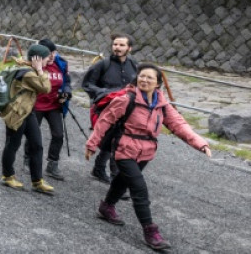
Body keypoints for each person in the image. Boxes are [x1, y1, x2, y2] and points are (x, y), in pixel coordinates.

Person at [85, 64, 212, 251]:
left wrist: (200, 143)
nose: (144, 80)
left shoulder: (162, 105)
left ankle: (107, 207)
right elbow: (105, 121)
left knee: (123, 180)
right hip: (125, 148)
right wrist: (92, 144)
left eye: (149, 78)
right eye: (141, 76)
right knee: (139, 189)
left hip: (147, 151)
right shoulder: (125, 99)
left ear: (158, 84)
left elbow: (178, 124)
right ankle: (150, 231)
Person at [82, 33, 139, 183]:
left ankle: (99, 168)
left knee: (114, 140)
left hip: (127, 110)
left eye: (121, 45)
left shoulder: (134, 65)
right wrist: (105, 93)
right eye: (115, 44)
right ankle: (116, 178)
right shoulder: (102, 64)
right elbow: (87, 84)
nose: (117, 48)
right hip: (105, 108)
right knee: (116, 141)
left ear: (129, 48)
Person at [0, 44, 55, 195]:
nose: (47, 60)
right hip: (17, 112)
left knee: (37, 145)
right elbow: (46, 88)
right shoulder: (28, 74)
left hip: (28, 111)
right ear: (37, 59)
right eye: (45, 58)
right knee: (12, 144)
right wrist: (39, 70)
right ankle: (7, 176)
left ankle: (37, 181)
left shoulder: (27, 69)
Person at [31, 38, 72, 180]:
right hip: (36, 104)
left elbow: (67, 82)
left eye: (54, 52)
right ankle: (28, 158)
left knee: (58, 135)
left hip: (54, 104)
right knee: (33, 134)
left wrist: (66, 93)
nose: (52, 56)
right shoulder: (35, 64)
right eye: (49, 53)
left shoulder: (61, 63)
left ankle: (52, 164)